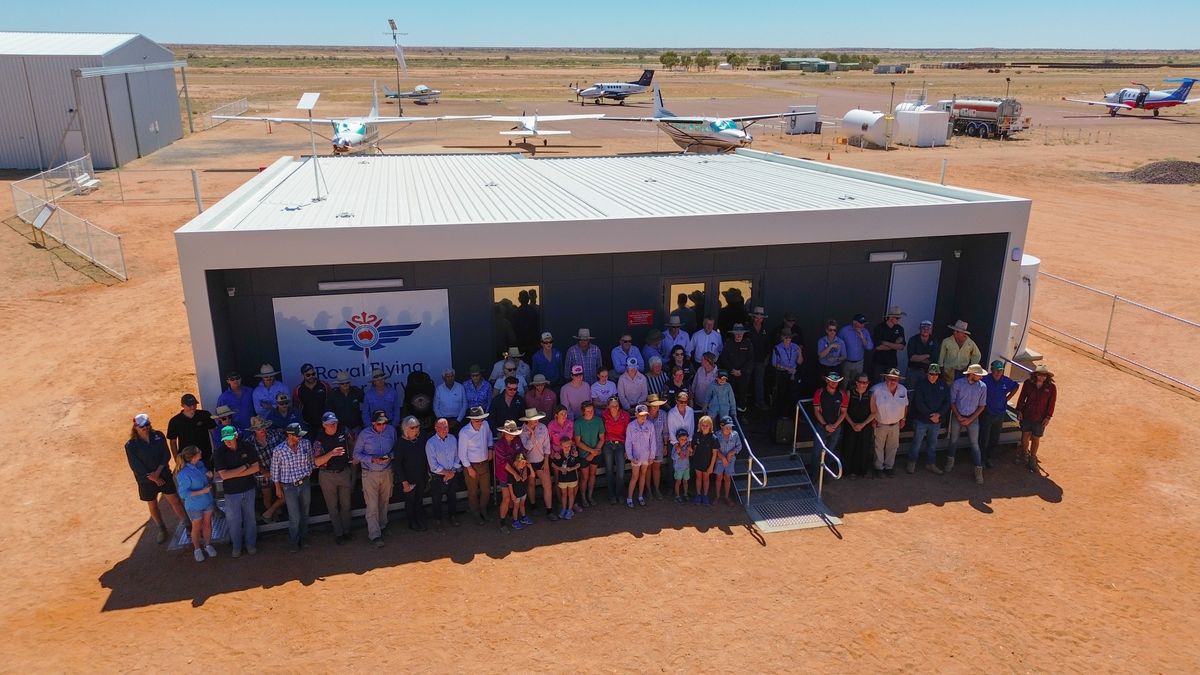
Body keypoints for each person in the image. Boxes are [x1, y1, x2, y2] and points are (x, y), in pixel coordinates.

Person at [125, 414, 187, 544]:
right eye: (142, 426)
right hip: (146, 481)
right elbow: (136, 466)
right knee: (153, 505)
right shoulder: (130, 446)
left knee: (175, 500)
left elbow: (166, 455)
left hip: (163, 475)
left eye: (147, 424)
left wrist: (158, 473)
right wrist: (153, 478)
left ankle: (187, 524)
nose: (145, 428)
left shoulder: (158, 436)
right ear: (135, 427)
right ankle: (162, 529)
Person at [272, 422, 319, 552]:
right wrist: (277, 487)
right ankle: (293, 540)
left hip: (305, 482)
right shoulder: (279, 450)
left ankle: (303, 537)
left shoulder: (306, 444)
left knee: (305, 512)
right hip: (289, 486)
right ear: (289, 435)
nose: (300, 437)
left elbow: (311, 461)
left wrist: (309, 473)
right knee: (295, 516)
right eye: (298, 435)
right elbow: (275, 471)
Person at [214, 425, 260, 556]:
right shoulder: (219, 453)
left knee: (250, 519)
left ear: (236, 436)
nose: (228, 442)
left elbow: (256, 468)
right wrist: (245, 467)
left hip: (249, 489)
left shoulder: (247, 446)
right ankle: (236, 546)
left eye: (230, 438)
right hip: (231, 493)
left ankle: (251, 544)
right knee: (234, 521)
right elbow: (224, 475)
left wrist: (233, 474)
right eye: (225, 440)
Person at [354, 411, 396, 547]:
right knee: (372, 505)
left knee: (384, 501)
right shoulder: (364, 434)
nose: (382, 426)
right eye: (379, 424)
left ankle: (382, 526)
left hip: (387, 471)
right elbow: (356, 454)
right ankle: (374, 534)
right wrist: (372, 459)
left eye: (384, 423)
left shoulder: (391, 431)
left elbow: (396, 448)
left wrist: (390, 456)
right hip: (370, 473)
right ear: (373, 423)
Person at [312, 411, 353, 543]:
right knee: (332, 507)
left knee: (346, 505)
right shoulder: (319, 439)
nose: (333, 425)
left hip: (344, 472)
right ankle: (338, 534)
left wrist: (352, 458)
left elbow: (353, 441)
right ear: (324, 425)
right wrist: (331, 454)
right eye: (330, 424)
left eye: (334, 423)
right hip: (327, 476)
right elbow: (316, 462)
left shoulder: (344, 430)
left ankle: (347, 531)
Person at [947, 363, 989, 483]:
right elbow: (952, 401)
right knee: (953, 441)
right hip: (958, 416)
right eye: (979, 375)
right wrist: (959, 416)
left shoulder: (983, 387)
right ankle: (950, 462)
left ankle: (978, 470)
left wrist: (970, 419)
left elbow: (982, 406)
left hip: (972, 418)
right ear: (972, 374)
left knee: (975, 444)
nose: (981, 377)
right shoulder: (958, 384)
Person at [175, 446, 218, 563]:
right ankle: (197, 549)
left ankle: (208, 545)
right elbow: (183, 494)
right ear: (193, 457)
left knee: (208, 524)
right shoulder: (183, 474)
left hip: (207, 501)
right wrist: (202, 491)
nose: (201, 452)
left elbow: (205, 477)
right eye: (199, 452)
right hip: (194, 506)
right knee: (197, 528)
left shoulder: (200, 464)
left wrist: (209, 474)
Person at [907, 364, 950, 474]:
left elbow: (947, 402)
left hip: (936, 420)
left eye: (936, 374)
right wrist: (931, 416)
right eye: (931, 374)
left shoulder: (943, 384)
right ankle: (912, 463)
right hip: (921, 419)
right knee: (917, 443)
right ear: (927, 373)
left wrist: (939, 414)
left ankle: (931, 464)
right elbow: (919, 403)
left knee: (932, 444)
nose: (933, 376)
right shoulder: (920, 384)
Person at [1015, 364, 1056, 473]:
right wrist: (1019, 410)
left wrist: (1048, 417)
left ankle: (1032, 459)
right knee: (1025, 436)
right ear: (1036, 375)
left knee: (1036, 438)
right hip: (1027, 414)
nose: (1042, 377)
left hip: (1040, 417)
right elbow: (1022, 397)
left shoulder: (1051, 388)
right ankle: (1025, 454)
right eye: (1040, 375)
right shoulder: (1028, 384)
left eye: (1044, 375)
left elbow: (1051, 403)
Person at [244, 416, 284, 523]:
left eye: (263, 427)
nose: (262, 430)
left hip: (280, 471)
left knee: (286, 494)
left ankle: (269, 512)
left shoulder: (276, 434)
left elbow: (285, 449)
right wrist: (263, 471)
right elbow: (249, 461)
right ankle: (273, 516)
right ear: (254, 430)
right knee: (267, 497)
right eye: (258, 428)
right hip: (262, 474)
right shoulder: (248, 443)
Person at [458, 406, 494, 524]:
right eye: (477, 420)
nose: (480, 422)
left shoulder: (485, 425)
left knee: (486, 490)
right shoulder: (464, 432)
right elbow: (462, 454)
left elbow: (489, 436)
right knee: (472, 491)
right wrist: (469, 468)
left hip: (484, 463)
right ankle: (475, 513)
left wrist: (490, 449)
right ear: (471, 420)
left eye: (481, 420)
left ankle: (483, 510)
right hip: (471, 465)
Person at [869, 369, 908, 478]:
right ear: (885, 378)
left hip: (895, 424)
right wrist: (873, 421)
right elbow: (871, 406)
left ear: (898, 380)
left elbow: (905, 405)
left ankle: (889, 467)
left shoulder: (903, 389)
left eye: (895, 379)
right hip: (880, 423)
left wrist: (903, 419)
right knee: (878, 447)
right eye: (891, 379)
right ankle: (878, 468)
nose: (893, 381)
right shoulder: (876, 389)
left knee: (893, 447)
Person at [520, 407, 557, 521]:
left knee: (547, 485)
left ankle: (549, 509)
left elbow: (547, 446)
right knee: (531, 484)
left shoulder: (543, 427)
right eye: (534, 419)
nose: (536, 421)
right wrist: (532, 434)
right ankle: (533, 505)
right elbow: (526, 448)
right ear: (528, 420)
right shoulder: (522, 431)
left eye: (536, 418)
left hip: (541, 460)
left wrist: (546, 461)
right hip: (529, 462)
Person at [981, 360, 1019, 469]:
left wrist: (1007, 399)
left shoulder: (1006, 381)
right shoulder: (985, 379)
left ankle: (989, 458)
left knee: (994, 438)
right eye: (996, 370)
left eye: (1000, 370)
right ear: (992, 370)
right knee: (983, 438)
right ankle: (981, 459)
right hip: (987, 413)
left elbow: (1016, 386)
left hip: (1000, 414)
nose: (998, 373)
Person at [426, 418, 462, 528]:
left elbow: (457, 457)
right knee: (437, 499)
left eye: (446, 427)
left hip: (452, 473)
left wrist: (452, 472)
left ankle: (452, 516)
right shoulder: (430, 443)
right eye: (441, 427)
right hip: (438, 476)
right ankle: (438, 520)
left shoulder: (453, 439)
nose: (444, 429)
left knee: (452, 497)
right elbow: (433, 466)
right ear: (436, 428)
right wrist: (447, 473)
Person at [394, 416, 429, 532]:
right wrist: (404, 483)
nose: (416, 429)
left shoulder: (421, 438)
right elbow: (398, 465)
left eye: (418, 427)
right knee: (410, 501)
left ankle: (419, 519)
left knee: (419, 499)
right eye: (413, 428)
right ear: (405, 429)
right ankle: (412, 522)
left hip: (421, 476)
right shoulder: (401, 444)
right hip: (408, 479)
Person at [167, 393, 216, 468]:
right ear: (182, 405)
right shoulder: (175, 421)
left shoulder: (205, 415)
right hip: (186, 460)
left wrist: (216, 451)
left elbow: (213, 433)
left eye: (194, 404)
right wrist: (177, 460)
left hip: (205, 456)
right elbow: (173, 442)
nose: (193, 407)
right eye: (189, 405)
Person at [494, 420, 525, 533]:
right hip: (505, 475)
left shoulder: (517, 440)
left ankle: (512, 516)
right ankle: (502, 522)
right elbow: (503, 463)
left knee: (514, 497)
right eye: (510, 433)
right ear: (504, 433)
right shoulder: (499, 445)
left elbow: (522, 454)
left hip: (516, 472)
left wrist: (523, 470)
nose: (512, 435)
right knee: (507, 498)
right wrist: (516, 474)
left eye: (513, 433)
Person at [842, 375, 875, 479]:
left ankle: (860, 471)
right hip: (850, 425)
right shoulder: (849, 393)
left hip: (865, 426)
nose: (864, 385)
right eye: (862, 382)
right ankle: (847, 471)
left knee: (862, 447)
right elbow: (844, 411)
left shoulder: (870, 395)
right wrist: (852, 424)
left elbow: (874, 413)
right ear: (856, 382)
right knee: (849, 447)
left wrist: (863, 424)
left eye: (866, 383)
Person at [812, 373, 849, 468]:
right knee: (817, 452)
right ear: (827, 381)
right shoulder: (819, 392)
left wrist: (835, 425)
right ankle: (814, 474)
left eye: (836, 381)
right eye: (832, 381)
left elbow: (843, 412)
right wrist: (825, 425)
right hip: (821, 426)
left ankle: (826, 473)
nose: (834, 383)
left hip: (836, 428)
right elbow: (816, 411)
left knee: (830, 452)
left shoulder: (842, 394)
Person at [573, 400, 605, 506]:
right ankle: (583, 497)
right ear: (583, 411)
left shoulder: (598, 420)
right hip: (584, 455)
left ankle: (590, 496)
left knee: (592, 475)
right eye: (587, 411)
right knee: (584, 477)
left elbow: (602, 439)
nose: (590, 413)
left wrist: (594, 452)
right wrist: (592, 452)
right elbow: (578, 442)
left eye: (591, 410)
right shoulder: (578, 423)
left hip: (596, 452)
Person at [600, 396, 631, 505]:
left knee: (620, 472)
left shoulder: (625, 415)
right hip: (608, 445)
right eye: (612, 405)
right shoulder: (604, 415)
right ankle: (611, 495)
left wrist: (627, 449)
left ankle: (620, 494)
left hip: (621, 445)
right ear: (608, 406)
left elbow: (628, 433)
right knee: (609, 471)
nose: (615, 407)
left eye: (617, 405)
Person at [625, 404, 656, 507]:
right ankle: (629, 497)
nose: (643, 417)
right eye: (641, 415)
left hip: (646, 456)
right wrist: (630, 457)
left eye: (645, 415)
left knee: (643, 475)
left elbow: (653, 441)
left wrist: (652, 456)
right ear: (636, 414)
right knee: (635, 476)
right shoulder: (631, 426)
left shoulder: (650, 425)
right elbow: (628, 442)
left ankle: (640, 496)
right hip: (635, 456)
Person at [719, 324, 754, 412]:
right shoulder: (728, 343)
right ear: (733, 334)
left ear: (743, 334)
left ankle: (742, 410)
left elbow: (750, 360)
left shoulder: (748, 344)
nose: (738, 335)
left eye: (740, 333)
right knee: (730, 392)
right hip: (731, 373)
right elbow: (724, 358)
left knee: (743, 393)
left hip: (743, 374)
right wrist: (732, 369)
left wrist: (741, 371)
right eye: (736, 333)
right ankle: (730, 410)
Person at [292, 363, 331, 432]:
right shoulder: (298, 390)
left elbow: (331, 404)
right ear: (302, 375)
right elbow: (296, 408)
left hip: (324, 424)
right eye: (308, 375)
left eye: (313, 374)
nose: (311, 376)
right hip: (307, 425)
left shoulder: (325, 386)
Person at [772, 332, 803, 420]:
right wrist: (787, 368)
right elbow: (775, 364)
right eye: (786, 337)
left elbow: (800, 362)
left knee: (794, 395)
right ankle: (781, 415)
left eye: (789, 337)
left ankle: (794, 415)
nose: (788, 339)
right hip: (782, 373)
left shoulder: (795, 346)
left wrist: (800, 353)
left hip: (793, 373)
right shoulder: (777, 348)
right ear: (782, 338)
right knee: (782, 394)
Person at [872, 307, 907, 380]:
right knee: (876, 382)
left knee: (891, 382)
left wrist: (885, 343)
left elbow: (901, 347)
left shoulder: (900, 328)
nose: (899, 320)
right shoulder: (879, 328)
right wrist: (895, 344)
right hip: (879, 361)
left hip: (892, 362)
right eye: (897, 318)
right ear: (890, 317)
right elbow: (878, 347)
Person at [747, 307, 772, 409]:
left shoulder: (766, 330)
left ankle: (759, 402)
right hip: (748, 360)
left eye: (760, 318)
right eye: (756, 317)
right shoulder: (747, 329)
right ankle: (743, 402)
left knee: (759, 381)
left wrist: (767, 358)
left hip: (761, 359)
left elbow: (768, 345)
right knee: (746, 380)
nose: (758, 320)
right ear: (753, 318)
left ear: (763, 319)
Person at [838, 314, 875, 383]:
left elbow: (870, 347)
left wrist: (862, 337)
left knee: (856, 383)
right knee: (844, 383)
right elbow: (837, 345)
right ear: (854, 322)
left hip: (859, 363)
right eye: (861, 323)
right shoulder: (844, 331)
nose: (863, 325)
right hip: (846, 362)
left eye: (864, 323)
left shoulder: (865, 331)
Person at [691, 416, 719, 505]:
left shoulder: (714, 438)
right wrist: (691, 453)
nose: (705, 427)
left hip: (707, 462)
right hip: (697, 460)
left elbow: (715, 454)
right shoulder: (696, 435)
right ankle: (698, 495)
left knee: (706, 479)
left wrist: (711, 466)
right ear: (700, 425)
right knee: (698, 478)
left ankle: (705, 495)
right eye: (703, 425)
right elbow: (694, 447)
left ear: (710, 426)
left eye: (707, 425)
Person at [645, 394, 669, 500]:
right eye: (654, 405)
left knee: (656, 468)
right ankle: (648, 489)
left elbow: (665, 432)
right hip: (646, 447)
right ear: (649, 406)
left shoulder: (663, 414)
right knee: (648, 468)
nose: (656, 407)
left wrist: (665, 445)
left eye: (657, 405)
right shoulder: (644, 415)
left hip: (659, 445)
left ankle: (656, 489)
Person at [714, 417, 740, 506]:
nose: (729, 429)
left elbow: (739, 446)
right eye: (727, 427)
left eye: (730, 427)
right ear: (721, 426)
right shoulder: (717, 435)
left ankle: (726, 497)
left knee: (728, 478)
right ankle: (717, 496)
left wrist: (731, 453)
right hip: (719, 460)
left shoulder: (735, 435)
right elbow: (715, 449)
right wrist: (722, 458)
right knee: (718, 478)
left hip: (730, 461)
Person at [553, 437, 581, 520]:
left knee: (571, 494)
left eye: (568, 446)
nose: (567, 448)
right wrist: (560, 468)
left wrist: (571, 469)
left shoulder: (574, 455)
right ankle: (564, 509)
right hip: (562, 480)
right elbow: (553, 464)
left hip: (572, 478)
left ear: (570, 446)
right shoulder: (559, 456)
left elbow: (578, 464)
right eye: (565, 447)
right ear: (561, 446)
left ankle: (570, 510)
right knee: (564, 494)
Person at [906, 320, 938, 388]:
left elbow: (934, 359)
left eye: (928, 328)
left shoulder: (934, 341)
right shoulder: (913, 339)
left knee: (924, 392)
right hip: (913, 370)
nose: (925, 330)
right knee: (910, 391)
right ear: (919, 329)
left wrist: (918, 358)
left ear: (931, 329)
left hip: (927, 372)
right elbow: (912, 358)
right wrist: (927, 355)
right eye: (923, 328)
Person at [512, 289, 541, 358]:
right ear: (528, 299)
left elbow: (513, 329)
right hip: (532, 343)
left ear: (519, 299)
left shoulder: (515, 313)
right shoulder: (534, 312)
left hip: (521, 344)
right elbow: (537, 327)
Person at [508, 454, 533, 531]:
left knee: (522, 505)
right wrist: (512, 495)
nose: (523, 464)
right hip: (516, 493)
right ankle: (515, 521)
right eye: (522, 462)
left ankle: (523, 517)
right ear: (516, 462)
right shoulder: (512, 472)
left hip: (523, 491)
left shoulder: (524, 470)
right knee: (516, 507)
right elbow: (510, 485)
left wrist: (529, 467)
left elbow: (533, 475)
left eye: (525, 463)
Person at [671, 429, 693, 503]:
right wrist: (678, 453)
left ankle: (685, 494)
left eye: (685, 439)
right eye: (682, 439)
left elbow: (690, 455)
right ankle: (677, 496)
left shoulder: (687, 446)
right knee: (678, 482)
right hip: (678, 468)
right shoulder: (676, 447)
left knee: (685, 481)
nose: (684, 441)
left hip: (686, 467)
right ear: (678, 439)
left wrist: (690, 451)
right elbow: (673, 457)